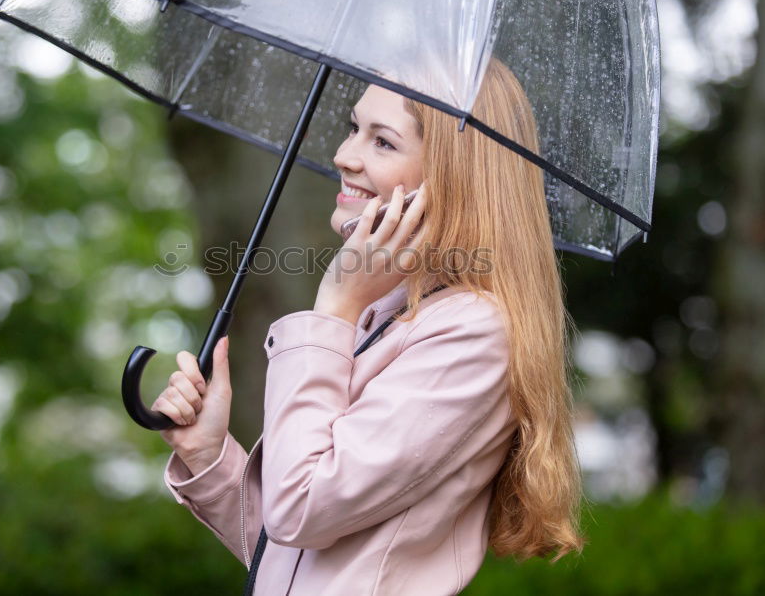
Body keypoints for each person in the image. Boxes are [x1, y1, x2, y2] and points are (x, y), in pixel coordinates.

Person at [153, 58, 586, 595]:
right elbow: (296, 554)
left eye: (382, 142)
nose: (343, 156)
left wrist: (333, 309)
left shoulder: (472, 334)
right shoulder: (389, 313)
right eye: (353, 129)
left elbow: (301, 508)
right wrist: (208, 456)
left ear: (454, 175)